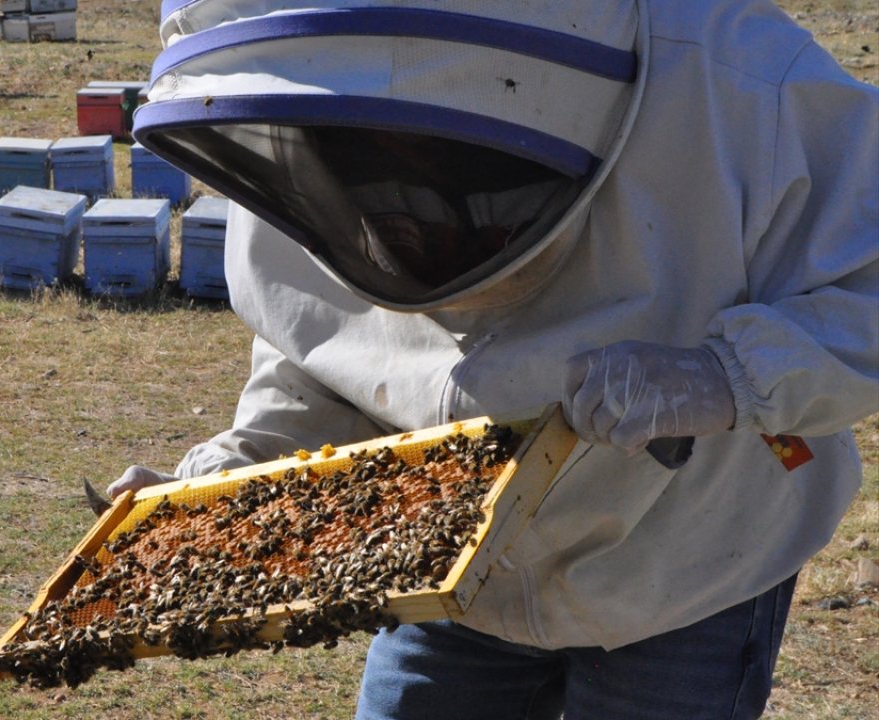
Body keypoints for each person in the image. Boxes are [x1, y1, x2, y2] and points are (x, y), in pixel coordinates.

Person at [115, 0, 879, 717]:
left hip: (686, 554)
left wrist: (729, 375)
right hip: (449, 554)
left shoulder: (740, 77)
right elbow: (319, 327)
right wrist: (240, 475)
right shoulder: (290, 83)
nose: (398, 171)